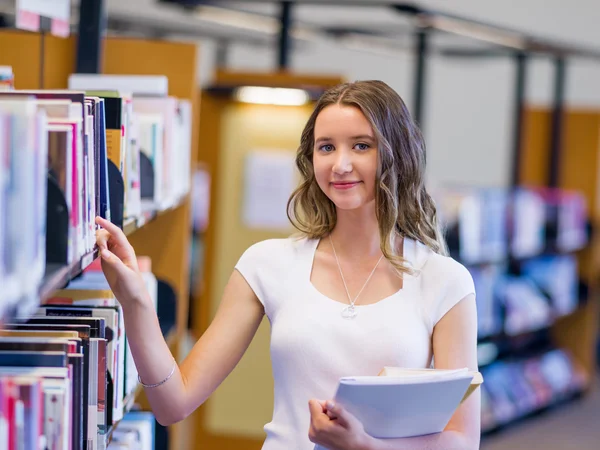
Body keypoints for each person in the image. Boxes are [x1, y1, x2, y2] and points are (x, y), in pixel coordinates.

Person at [95, 80, 480, 450]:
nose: (340, 164)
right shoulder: (268, 264)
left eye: (361, 146)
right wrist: (136, 301)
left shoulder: (444, 280)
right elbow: (172, 404)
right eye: (326, 147)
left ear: (397, 155)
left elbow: (463, 441)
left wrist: (364, 445)